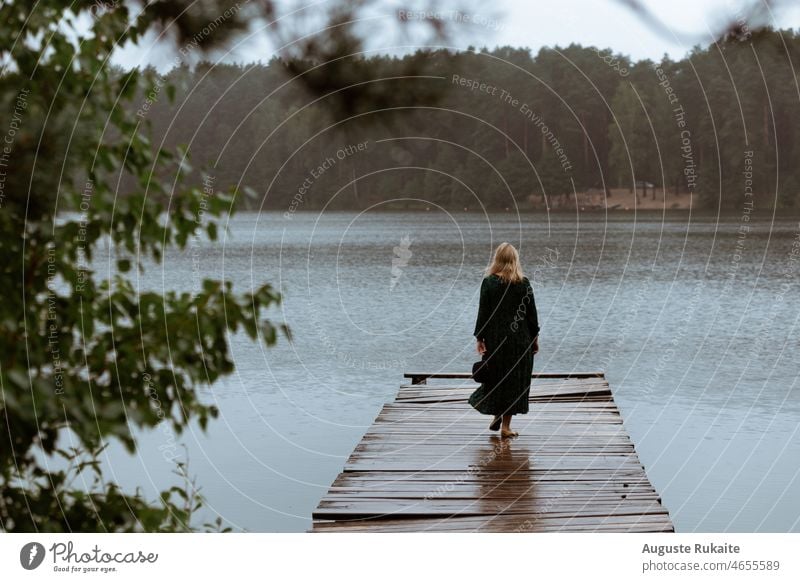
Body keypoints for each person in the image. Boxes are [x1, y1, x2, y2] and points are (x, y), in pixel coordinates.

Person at [469, 243, 540, 438]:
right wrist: (534, 339)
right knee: (514, 382)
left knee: (496, 378)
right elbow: (531, 315)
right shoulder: (523, 283)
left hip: (496, 340)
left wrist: (480, 338)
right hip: (520, 341)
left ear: (497, 259)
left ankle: (496, 413)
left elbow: (483, 312)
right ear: (515, 260)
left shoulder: (489, 282)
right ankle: (506, 427)